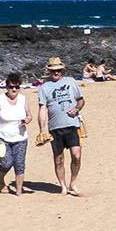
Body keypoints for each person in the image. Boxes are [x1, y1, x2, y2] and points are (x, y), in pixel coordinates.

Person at [37, 58, 85, 196]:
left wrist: (76, 109)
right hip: (55, 128)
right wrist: (42, 130)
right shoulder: (44, 88)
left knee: (76, 155)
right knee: (59, 159)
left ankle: (73, 183)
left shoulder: (70, 82)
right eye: (53, 70)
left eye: (58, 70)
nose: (56, 72)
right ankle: (63, 186)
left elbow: (81, 100)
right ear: (49, 70)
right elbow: (42, 109)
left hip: (72, 125)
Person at [0, 72, 30, 196]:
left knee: (19, 164)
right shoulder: (0, 99)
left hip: (20, 137)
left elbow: (29, 115)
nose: (14, 89)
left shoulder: (23, 99)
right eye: (11, 87)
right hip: (2, 137)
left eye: (16, 87)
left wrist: (27, 119)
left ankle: (19, 190)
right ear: (7, 87)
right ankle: (1, 179)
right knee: (6, 163)